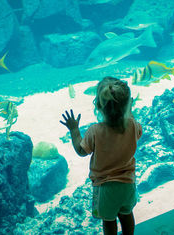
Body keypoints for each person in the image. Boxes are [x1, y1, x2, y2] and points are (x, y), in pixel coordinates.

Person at [60, 76, 142, 235]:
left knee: (109, 220)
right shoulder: (133, 125)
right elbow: (137, 131)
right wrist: (129, 110)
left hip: (106, 188)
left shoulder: (95, 131)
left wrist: (74, 130)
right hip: (128, 184)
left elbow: (81, 150)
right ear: (127, 105)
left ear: (98, 105)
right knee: (127, 215)